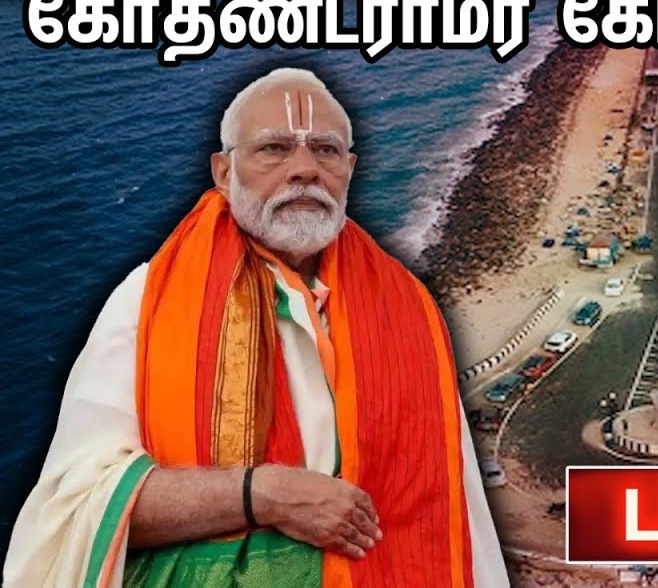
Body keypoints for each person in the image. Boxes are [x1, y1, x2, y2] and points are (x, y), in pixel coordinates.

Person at [3, 68, 508, 587]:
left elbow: (456, 504)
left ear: (350, 169)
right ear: (223, 172)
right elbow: (78, 509)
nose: (305, 169)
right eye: (274, 148)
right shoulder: (147, 301)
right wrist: (258, 495)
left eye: (327, 151)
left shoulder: (410, 307)